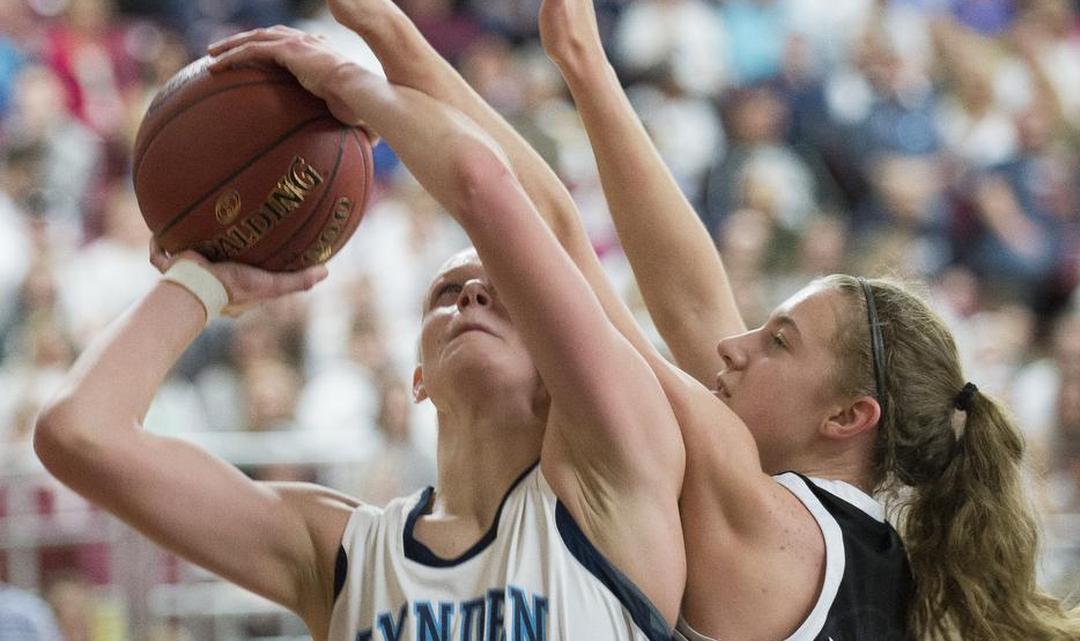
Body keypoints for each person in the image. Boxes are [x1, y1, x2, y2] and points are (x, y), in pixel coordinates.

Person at [33, 20, 686, 641]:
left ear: (561, 360)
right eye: (446, 293)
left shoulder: (616, 487)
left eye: (506, 296)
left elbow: (489, 189)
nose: (473, 295)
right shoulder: (342, 549)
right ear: (418, 378)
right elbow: (78, 433)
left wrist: (356, 84)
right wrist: (203, 285)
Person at [528, 0, 1080, 639]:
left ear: (847, 417)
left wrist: (545, 78)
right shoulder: (871, 551)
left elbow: (577, 296)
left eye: (779, 342)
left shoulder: (774, 522)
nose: (733, 347)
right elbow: (691, 303)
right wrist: (585, 64)